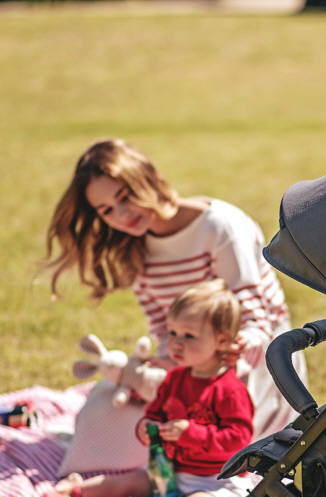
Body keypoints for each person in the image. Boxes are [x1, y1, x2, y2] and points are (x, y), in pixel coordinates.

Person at [45, 138, 304, 439]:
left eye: (125, 196)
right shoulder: (135, 249)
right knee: (110, 417)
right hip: (197, 362)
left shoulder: (219, 228)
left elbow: (257, 324)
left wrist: (233, 349)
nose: (122, 215)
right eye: (107, 210)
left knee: (221, 448)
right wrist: (168, 366)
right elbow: (163, 329)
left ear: (147, 178)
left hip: (260, 362)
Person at [42, 280, 254, 497]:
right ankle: (75, 492)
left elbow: (239, 440)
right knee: (127, 483)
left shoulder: (230, 389)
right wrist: (145, 427)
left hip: (215, 480)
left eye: (189, 336)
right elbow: (154, 413)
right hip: (167, 469)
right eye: (172, 332)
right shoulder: (175, 379)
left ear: (221, 341)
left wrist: (191, 433)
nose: (176, 343)